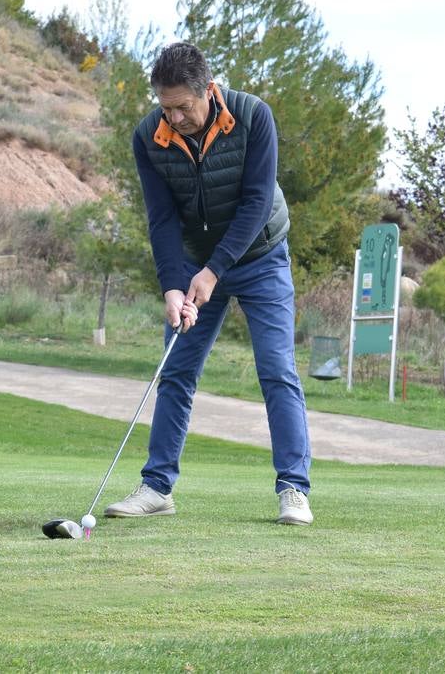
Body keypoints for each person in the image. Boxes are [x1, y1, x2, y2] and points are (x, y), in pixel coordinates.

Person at [104, 42, 314, 526]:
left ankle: (293, 489)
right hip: (195, 264)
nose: (175, 117)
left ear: (208, 90)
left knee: (277, 370)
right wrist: (172, 287)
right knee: (176, 371)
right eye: (166, 107)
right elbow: (160, 219)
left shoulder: (253, 116)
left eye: (184, 106)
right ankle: (157, 488)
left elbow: (258, 201)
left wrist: (213, 271)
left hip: (261, 257)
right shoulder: (148, 137)